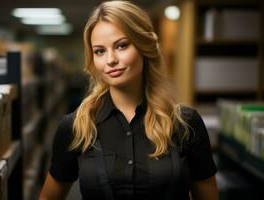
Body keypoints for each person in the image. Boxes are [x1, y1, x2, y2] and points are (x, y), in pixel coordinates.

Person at [39, 1, 219, 200]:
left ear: (144, 46)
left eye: (122, 46)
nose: (110, 60)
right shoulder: (75, 126)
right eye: (100, 51)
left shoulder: (185, 124)